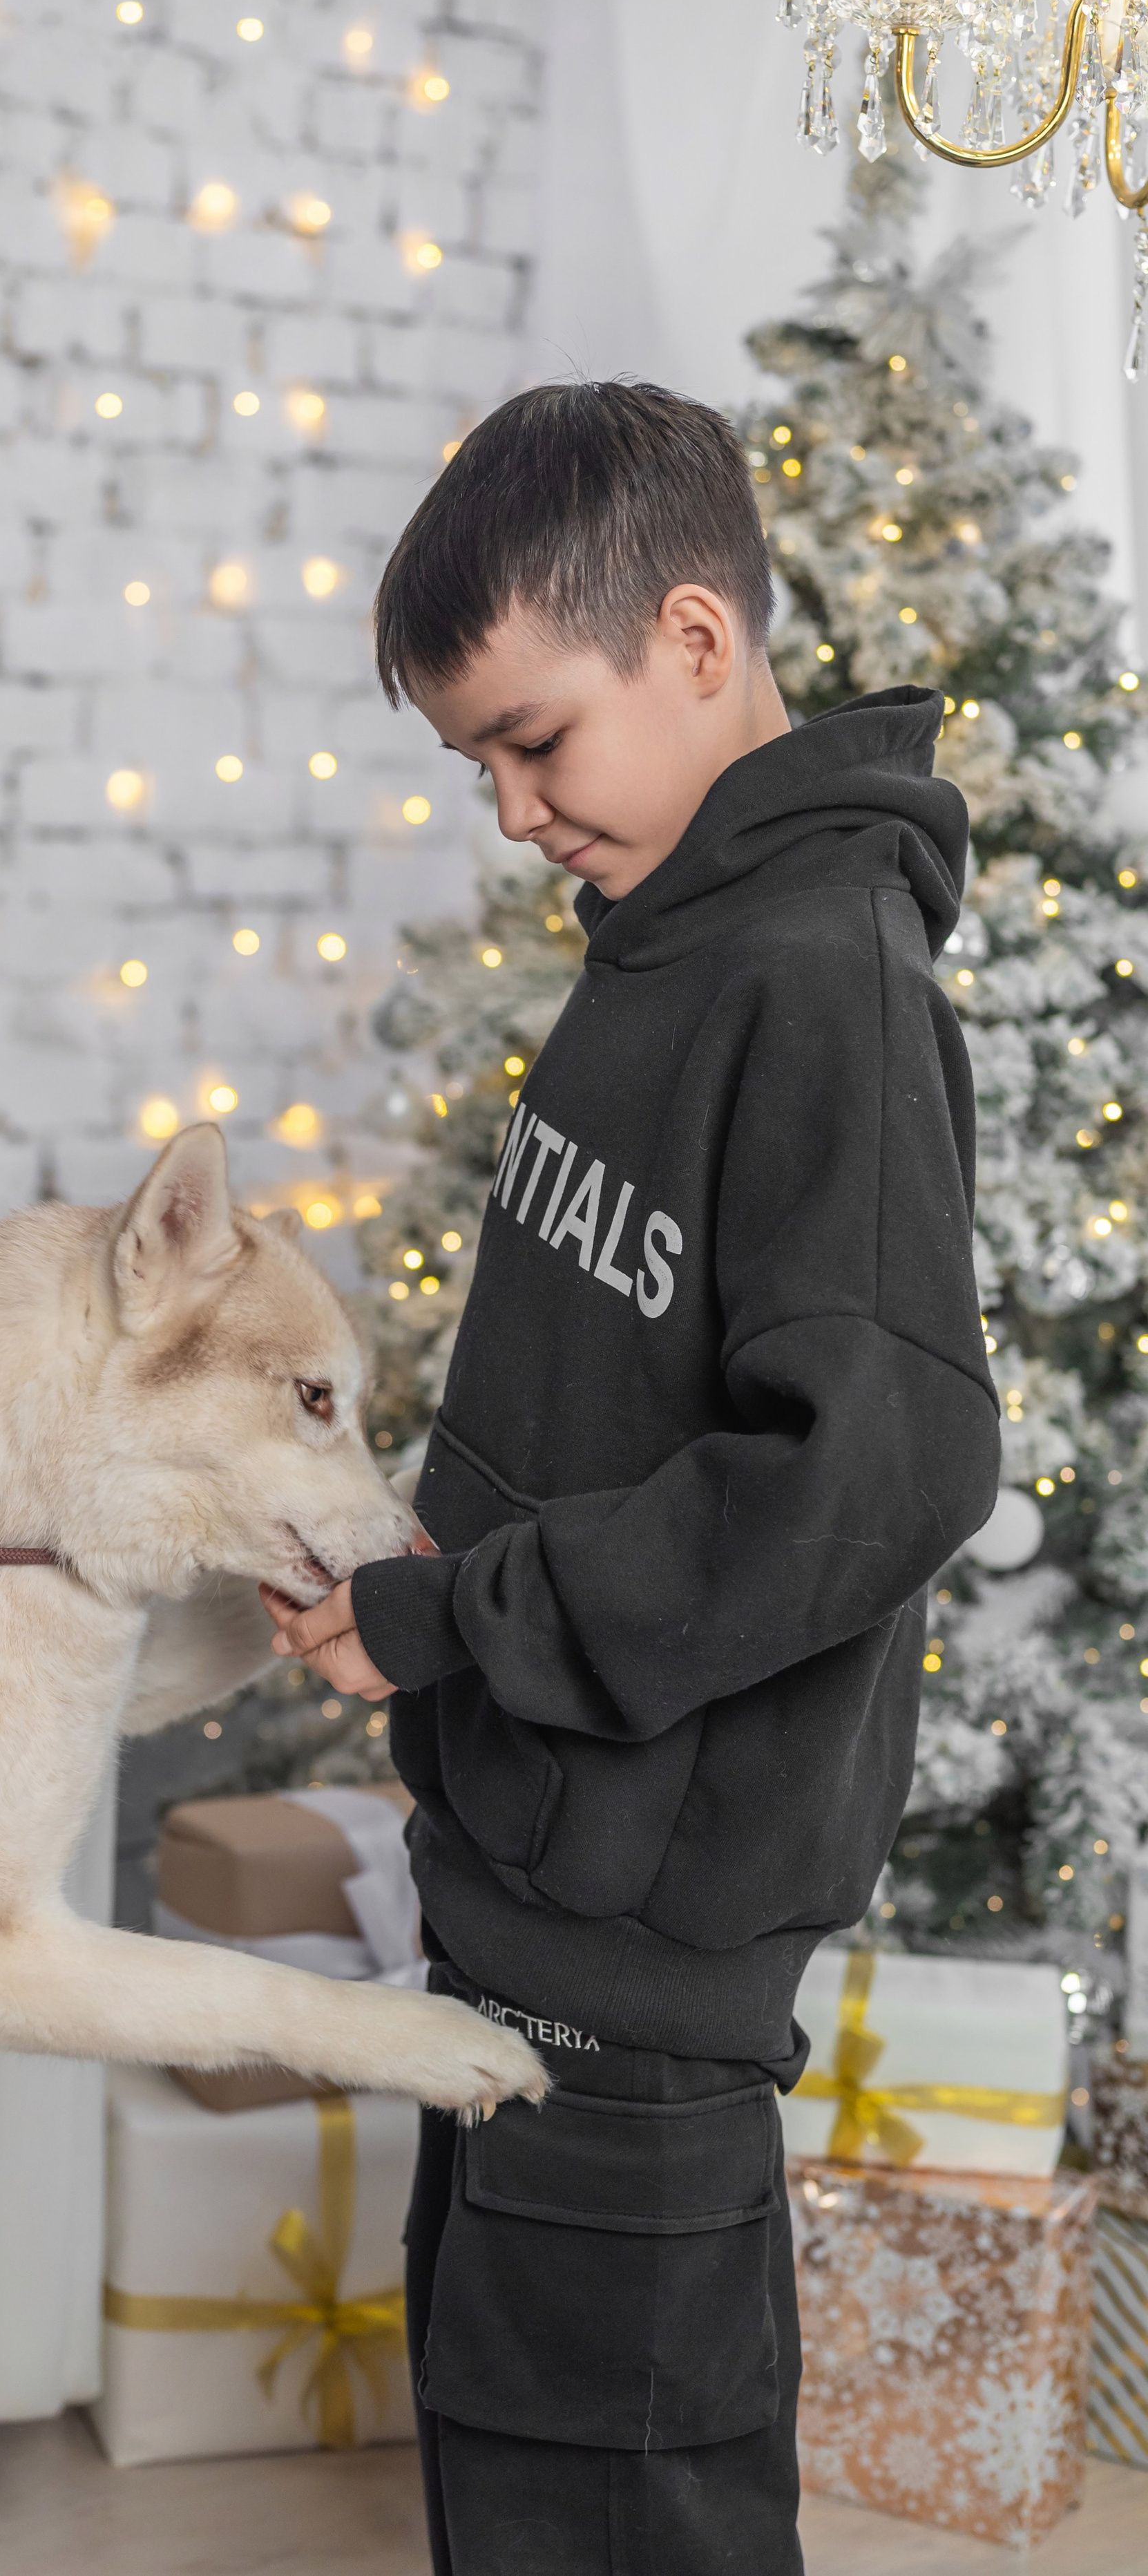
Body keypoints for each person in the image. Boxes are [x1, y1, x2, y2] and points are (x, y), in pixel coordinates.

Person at [262, 381, 1001, 2575]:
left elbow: (887, 1461)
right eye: (474, 762)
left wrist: (461, 1622)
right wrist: (429, 1593)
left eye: (531, 741)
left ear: (694, 643)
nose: (509, 813)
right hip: (520, 1911)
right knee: (516, 2491)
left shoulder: (823, 982)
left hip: (640, 1982)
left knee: (620, 2518)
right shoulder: (655, 952)